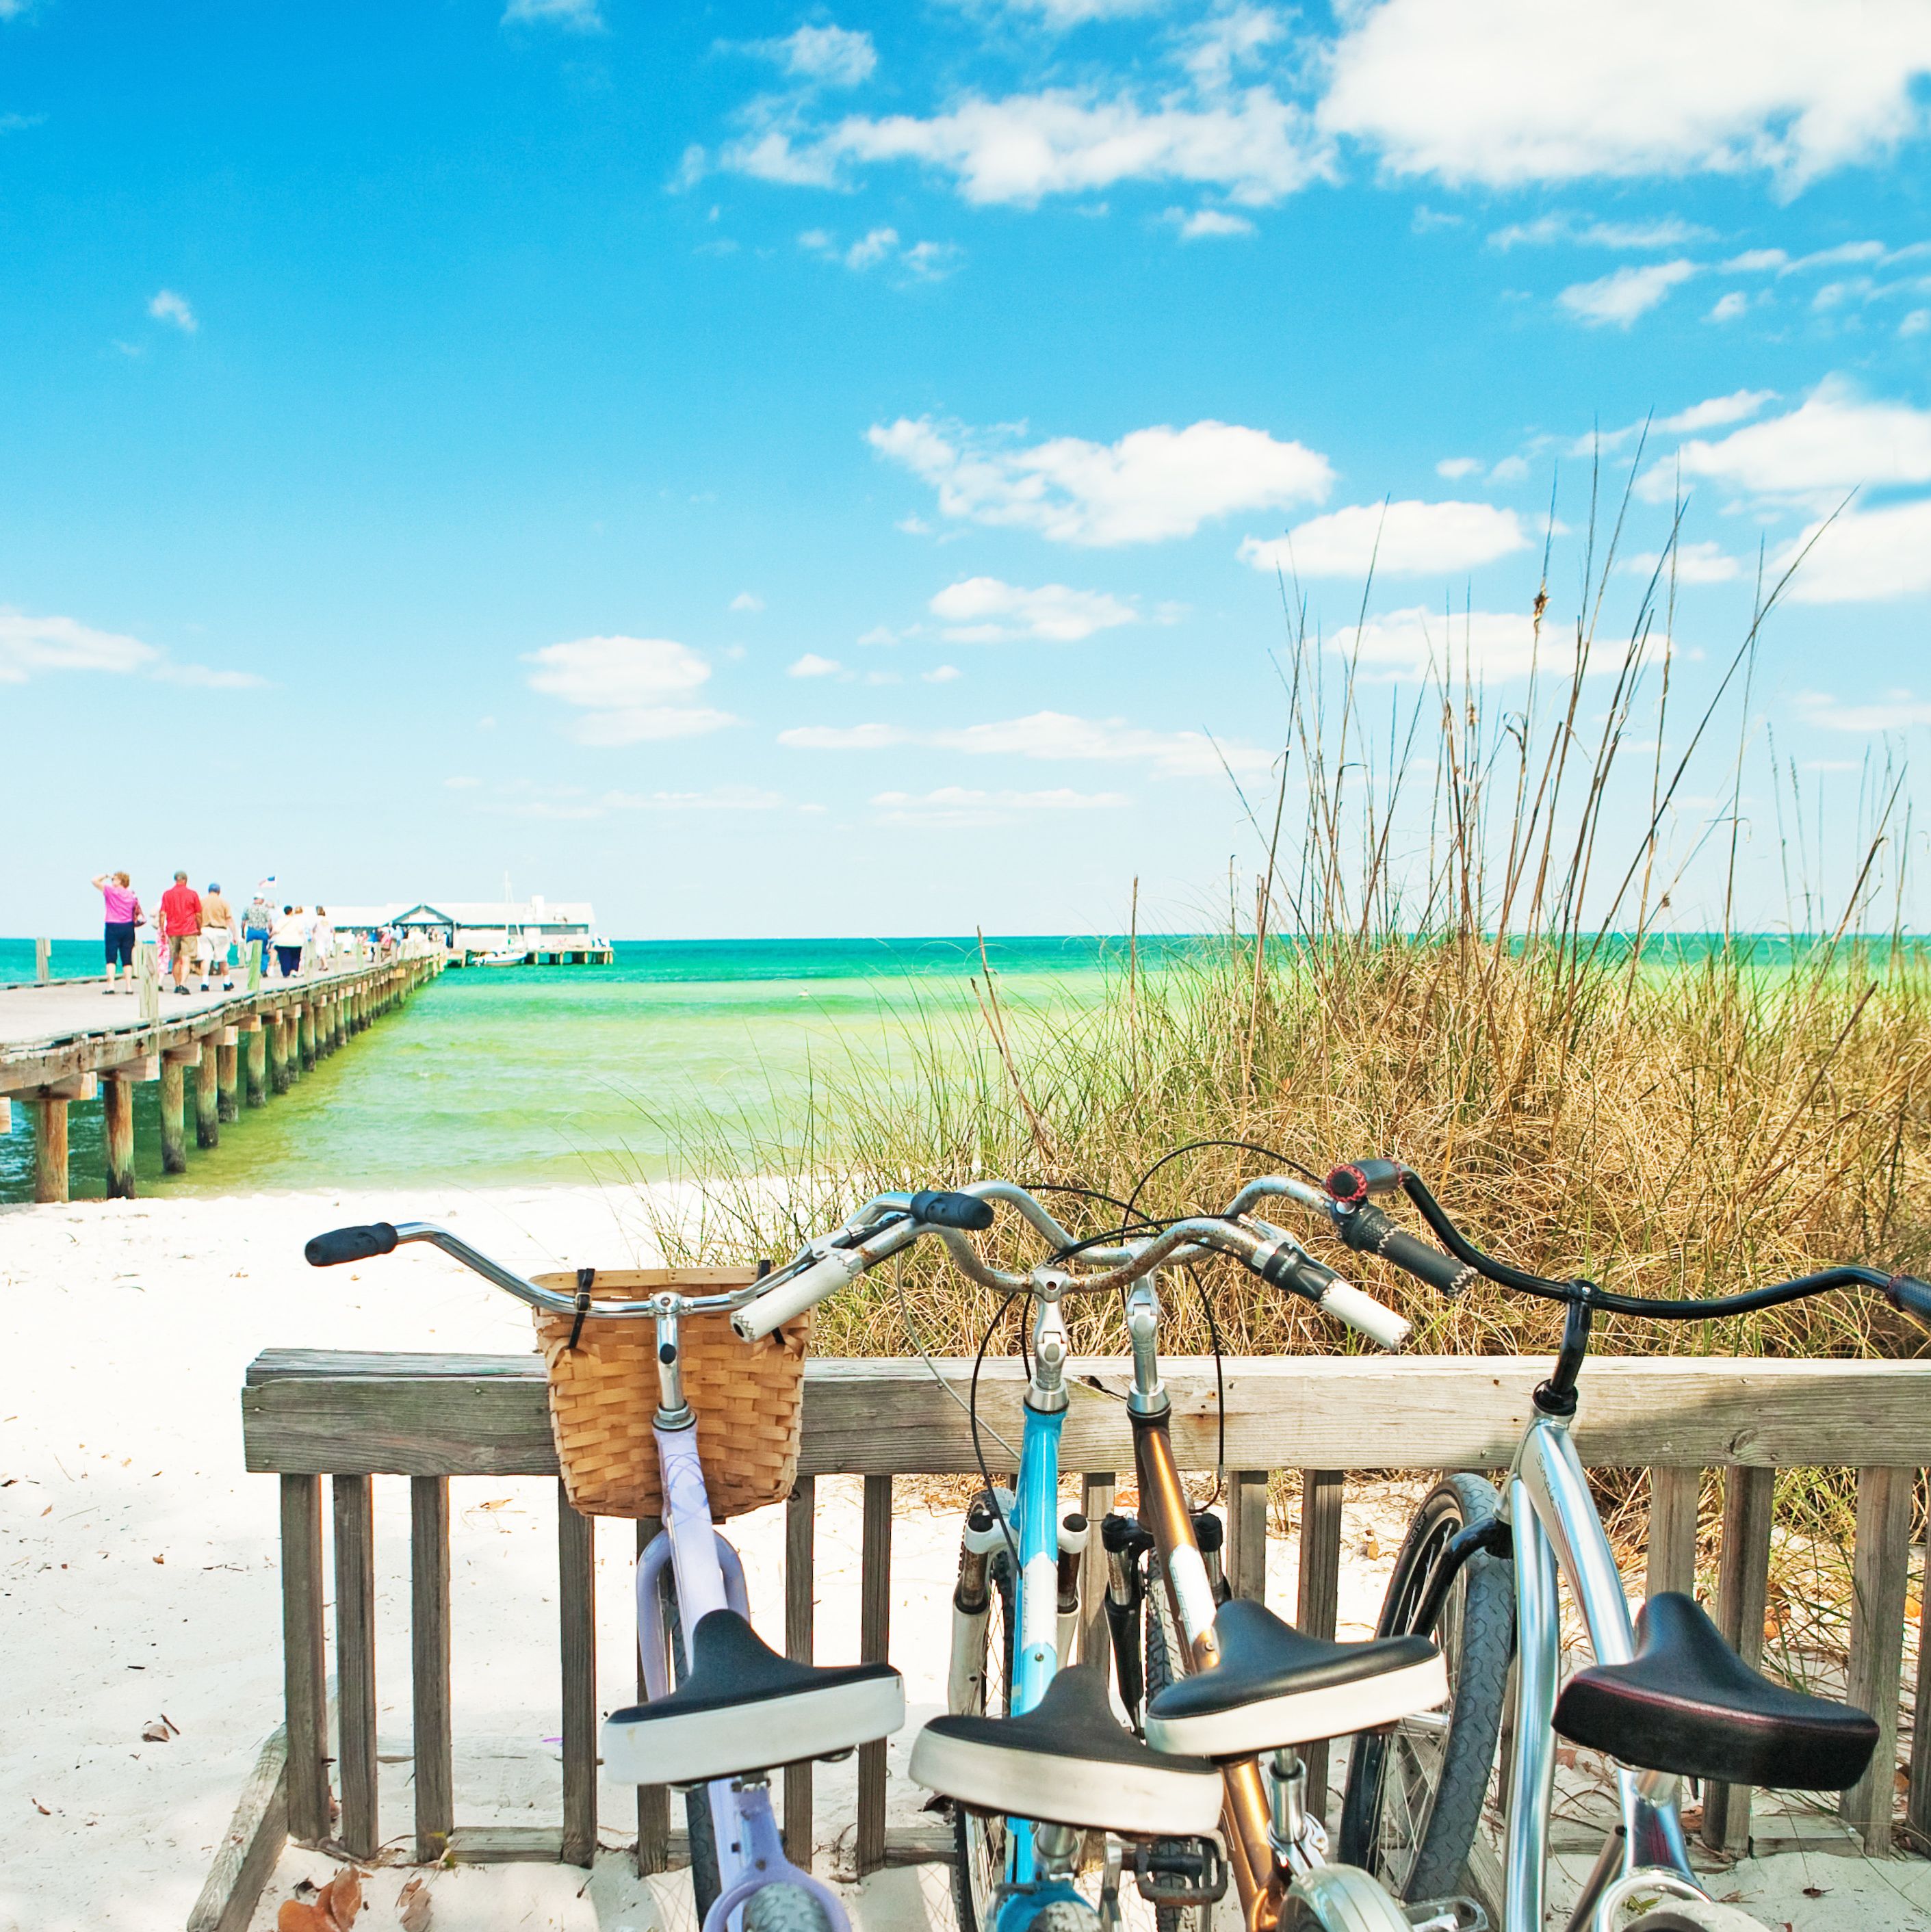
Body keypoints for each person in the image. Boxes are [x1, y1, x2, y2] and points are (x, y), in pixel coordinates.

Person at [91, 871, 142, 993]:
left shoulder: (110, 891)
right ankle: (129, 986)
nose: (112, 881)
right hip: (128, 926)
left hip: (113, 925)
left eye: (114, 879)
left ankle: (111, 986)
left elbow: (94, 880)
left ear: (119, 881)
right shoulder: (131, 894)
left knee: (111, 957)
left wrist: (105, 875)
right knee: (127, 958)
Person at [159, 870, 203, 995]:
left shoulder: (167, 894)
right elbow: (198, 914)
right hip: (189, 929)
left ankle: (177, 985)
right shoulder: (192, 894)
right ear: (185, 880)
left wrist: (162, 930)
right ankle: (183, 984)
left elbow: (162, 914)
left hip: (172, 930)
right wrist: (199, 927)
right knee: (186, 958)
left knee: (176, 958)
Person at [198, 881, 239, 992]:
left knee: (206, 958)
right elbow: (229, 919)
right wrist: (235, 934)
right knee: (222, 958)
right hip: (220, 931)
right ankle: (226, 982)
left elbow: (197, 917)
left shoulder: (202, 902)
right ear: (219, 892)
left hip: (205, 930)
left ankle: (205, 983)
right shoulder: (223, 902)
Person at [243, 889, 274, 981]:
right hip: (262, 932)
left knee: (251, 951)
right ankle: (263, 969)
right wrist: (270, 932)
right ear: (262, 900)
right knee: (264, 952)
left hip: (251, 932)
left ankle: (253, 968)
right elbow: (269, 923)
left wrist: (242, 933)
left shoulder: (248, 908)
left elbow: (243, 922)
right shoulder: (265, 910)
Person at [272, 904, 305, 980]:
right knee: (295, 957)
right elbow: (300, 930)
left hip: (283, 941)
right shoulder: (296, 920)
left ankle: (286, 973)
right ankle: (294, 971)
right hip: (296, 942)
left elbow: (276, 930)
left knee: (284, 958)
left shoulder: (280, 920)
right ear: (291, 911)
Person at [311, 905, 336, 972]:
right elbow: (333, 930)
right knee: (323, 951)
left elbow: (313, 928)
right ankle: (322, 965)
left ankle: (325, 965)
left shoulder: (317, 919)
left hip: (319, 937)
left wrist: (312, 936)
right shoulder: (328, 919)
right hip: (327, 937)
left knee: (320, 951)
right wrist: (334, 938)